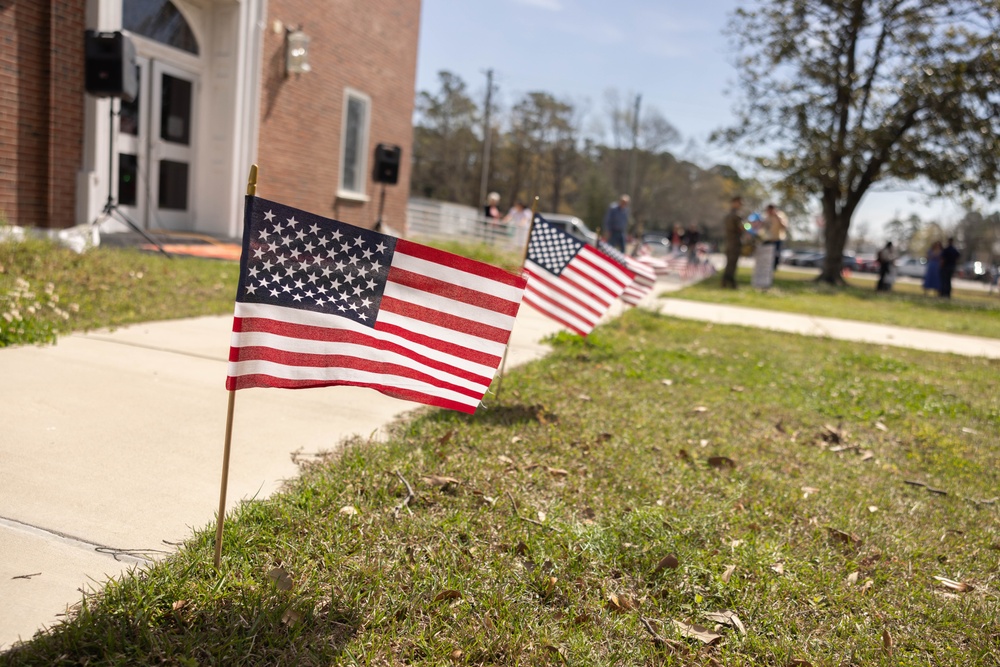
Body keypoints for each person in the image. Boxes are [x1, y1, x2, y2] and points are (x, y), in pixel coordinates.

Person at [721, 196, 744, 289]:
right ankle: (728, 282)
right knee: (732, 264)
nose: (741, 205)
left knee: (729, 263)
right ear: (734, 203)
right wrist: (749, 226)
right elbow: (742, 227)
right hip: (735, 242)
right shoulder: (736, 215)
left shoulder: (728, 215)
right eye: (740, 203)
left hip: (729, 242)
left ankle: (726, 282)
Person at [762, 204, 789, 269]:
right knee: (765, 257)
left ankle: (773, 269)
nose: (769, 212)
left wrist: (778, 218)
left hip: (777, 240)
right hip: (767, 239)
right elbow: (762, 227)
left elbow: (784, 227)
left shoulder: (780, 215)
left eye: (770, 210)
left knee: (775, 258)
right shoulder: (766, 217)